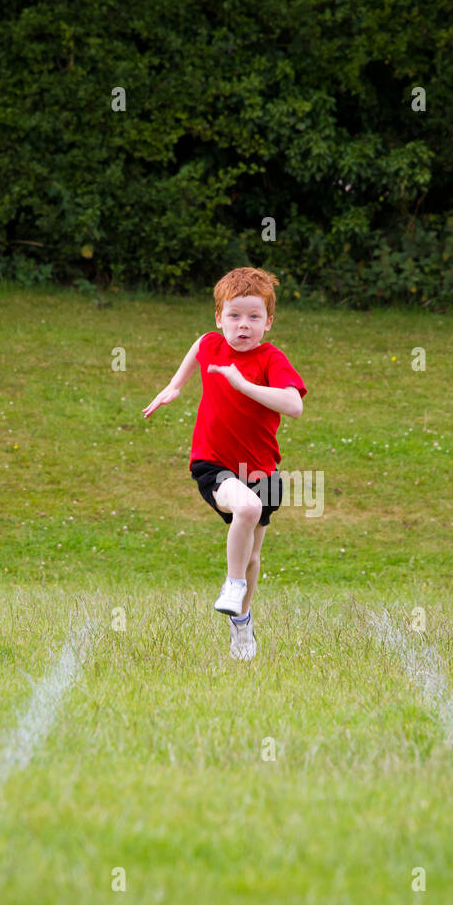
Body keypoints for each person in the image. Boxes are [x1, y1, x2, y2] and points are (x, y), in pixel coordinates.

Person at [142, 266, 307, 660]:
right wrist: (173, 388)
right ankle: (232, 588)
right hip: (213, 463)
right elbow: (196, 353)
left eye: (254, 316)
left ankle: (242, 624)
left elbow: (295, 406)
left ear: (269, 321)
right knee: (245, 508)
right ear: (219, 318)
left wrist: (243, 384)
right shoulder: (210, 344)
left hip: (262, 471)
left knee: (252, 556)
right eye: (234, 316)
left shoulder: (271, 359)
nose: (243, 325)